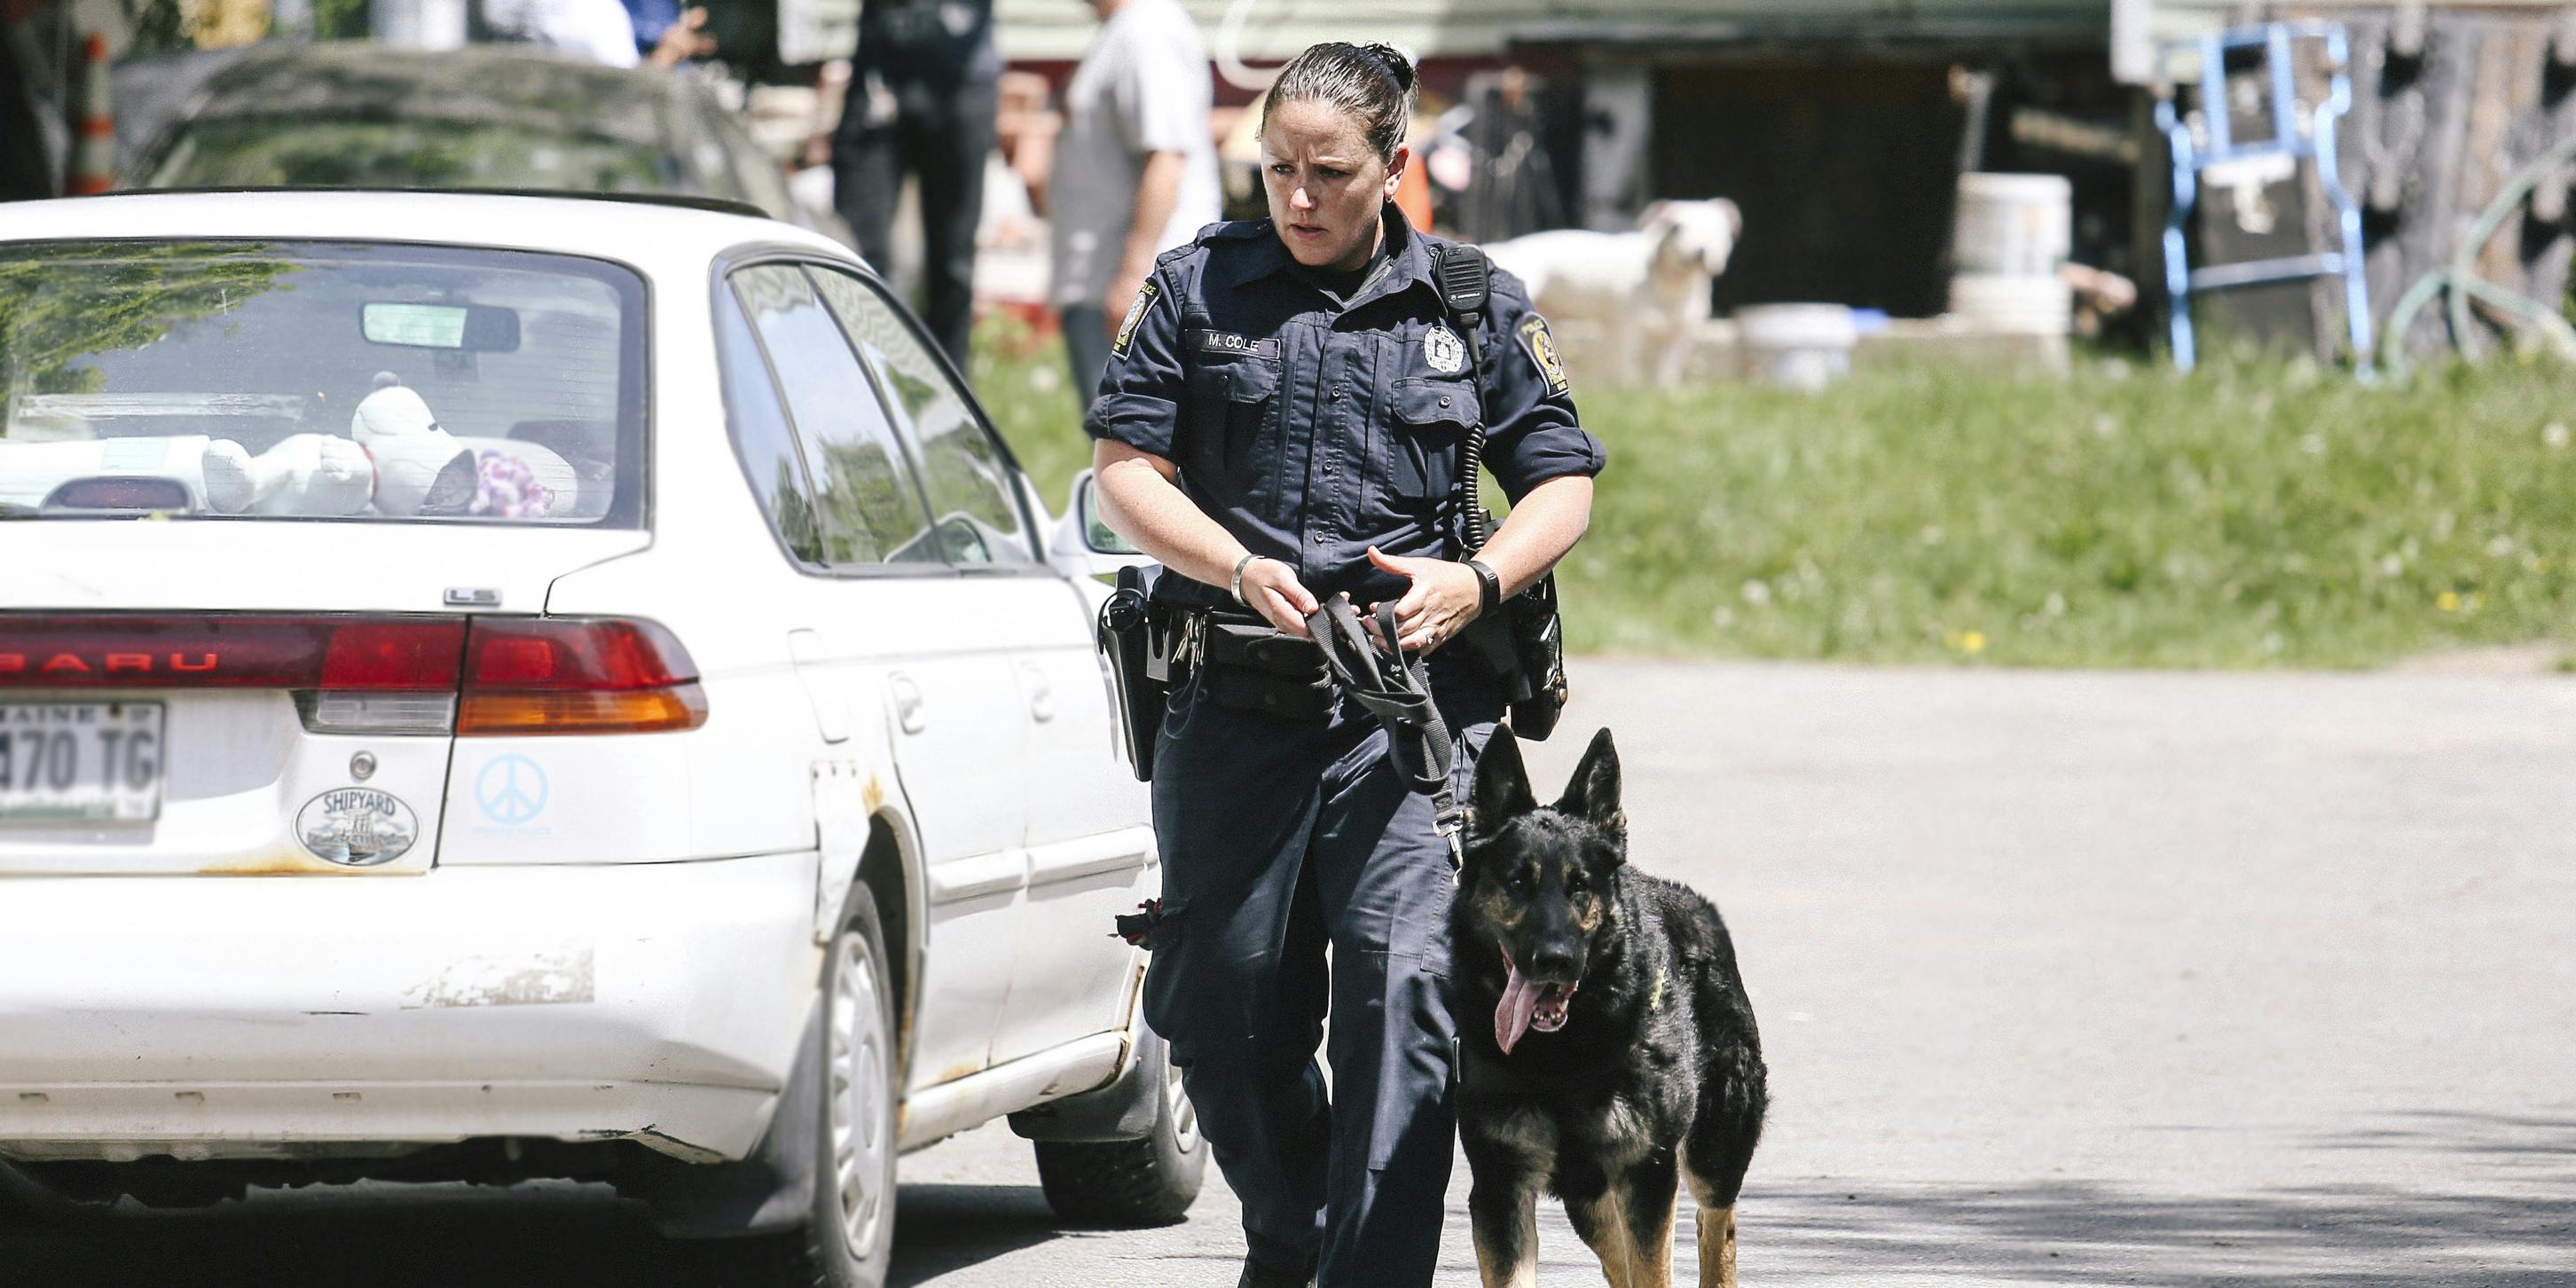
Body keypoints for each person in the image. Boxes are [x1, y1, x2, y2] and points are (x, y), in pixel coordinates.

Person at [1085, 41, 1603, 1288]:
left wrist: (1475, 581)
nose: (1299, 197)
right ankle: (1303, 1232)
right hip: (1233, 709)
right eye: (1277, 170)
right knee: (1220, 1011)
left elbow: (1563, 481)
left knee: (1406, 1004)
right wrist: (1227, 564)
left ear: (1396, 167)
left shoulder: (1472, 303)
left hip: (1413, 725)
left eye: (1328, 171)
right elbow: (1123, 474)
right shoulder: (1201, 285)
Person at [1048, 0, 1221, 404]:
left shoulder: (1147, 30)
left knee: (1131, 451)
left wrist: (1133, 279)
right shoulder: (1128, 29)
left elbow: (1166, 157)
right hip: (1113, 283)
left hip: (1136, 290)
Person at [831, 0, 998, 368]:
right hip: (880, 75)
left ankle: (953, 403)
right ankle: (850, 384)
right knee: (855, 250)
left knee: (953, 265)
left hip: (961, 79)